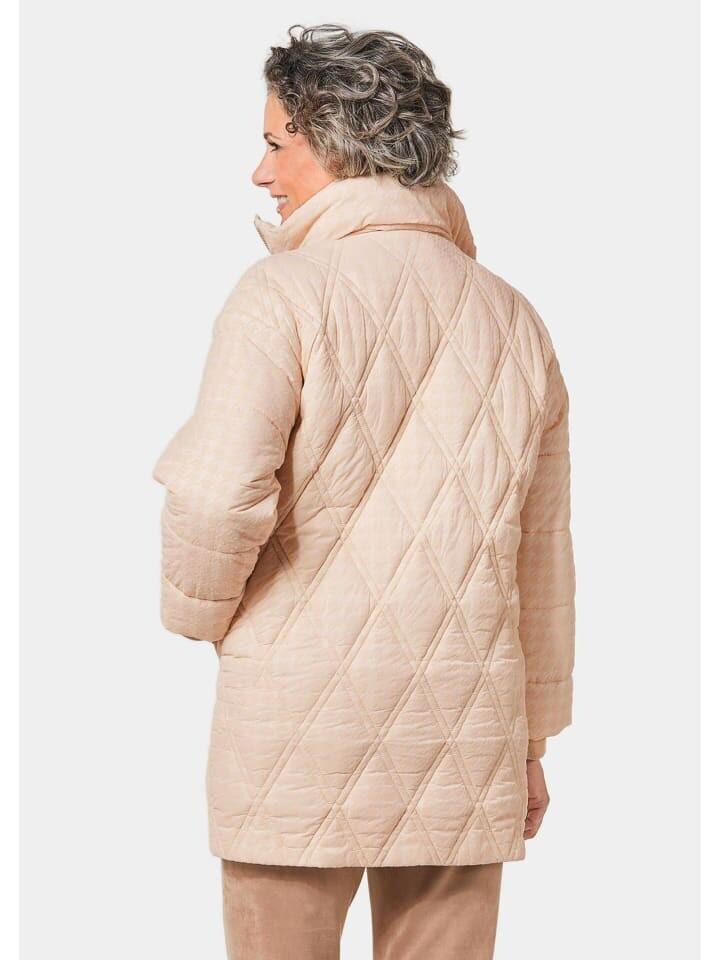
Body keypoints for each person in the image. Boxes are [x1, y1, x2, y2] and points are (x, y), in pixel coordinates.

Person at [152, 23, 575, 960]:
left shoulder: (281, 295)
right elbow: (541, 554)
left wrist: (201, 614)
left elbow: (215, 496)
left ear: (340, 145)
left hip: (295, 726)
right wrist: (531, 740)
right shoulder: (515, 318)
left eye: (277, 143)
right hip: (465, 731)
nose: (261, 173)